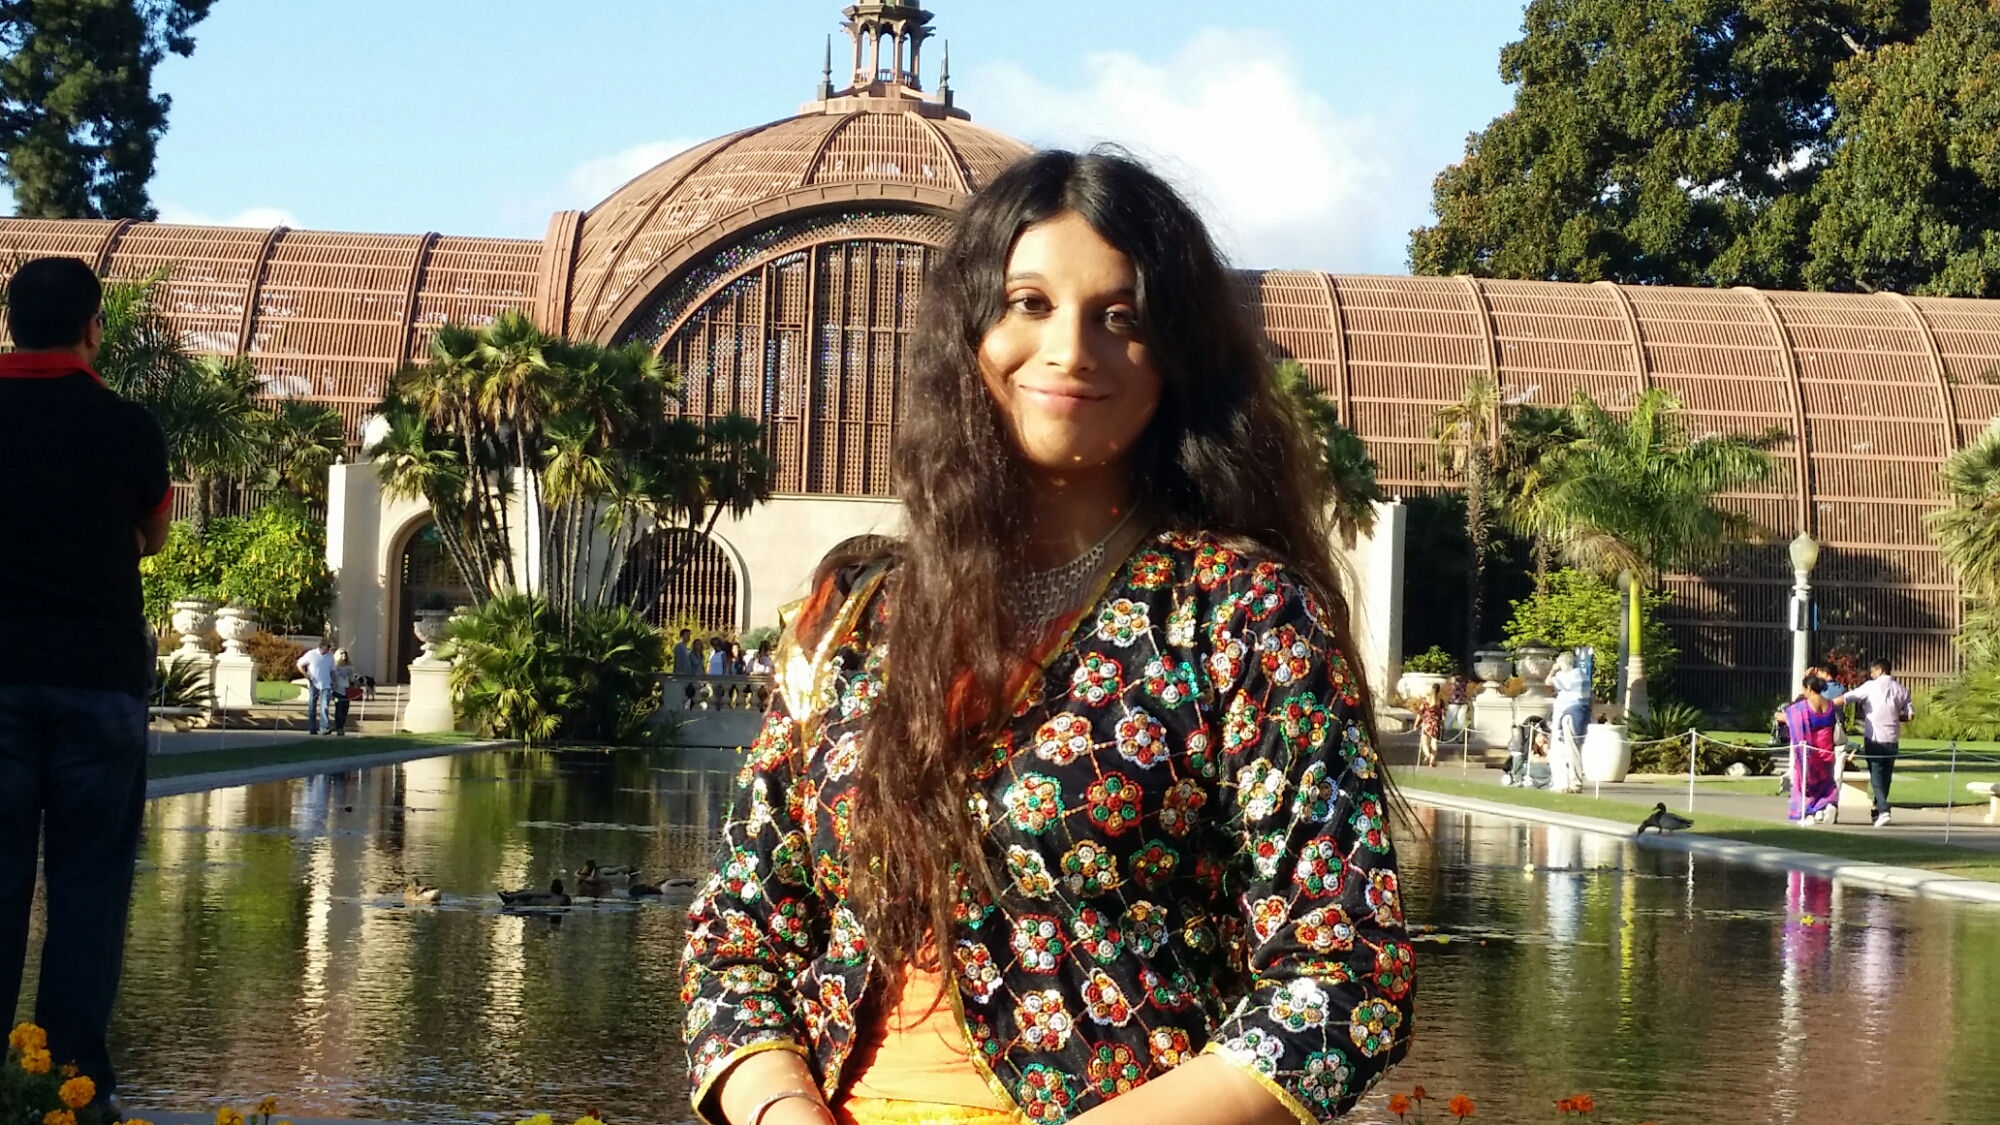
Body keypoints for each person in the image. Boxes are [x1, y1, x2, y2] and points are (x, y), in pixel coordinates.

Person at [682, 151, 1412, 1125]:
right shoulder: (860, 616)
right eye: (1028, 303)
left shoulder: (1239, 615)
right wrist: (780, 1111)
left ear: (1176, 357)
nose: (1070, 349)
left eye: (1122, 317)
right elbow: (738, 932)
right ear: (969, 332)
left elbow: (1345, 973)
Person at [0, 256, 171, 1114]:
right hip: (97, 680)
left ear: (10, 324)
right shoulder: (125, 425)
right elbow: (154, 534)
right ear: (93, 327)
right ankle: (71, 1083)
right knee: (88, 889)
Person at [1843, 658, 1913, 827]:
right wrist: (1895, 717)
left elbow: (1848, 697)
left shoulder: (1870, 686)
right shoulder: (1901, 689)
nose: (1871, 674)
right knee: (1886, 776)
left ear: (1880, 671)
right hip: (1892, 738)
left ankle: (1883, 809)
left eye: (1873, 671)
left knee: (1876, 774)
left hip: (1874, 737)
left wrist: (1828, 704)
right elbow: (1910, 715)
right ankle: (1877, 808)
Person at [1784, 673, 1842, 824]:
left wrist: (1782, 717)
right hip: (1827, 749)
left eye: (1804, 688)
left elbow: (1794, 721)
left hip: (1810, 749)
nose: (1803, 692)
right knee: (1826, 781)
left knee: (1806, 782)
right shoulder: (1830, 704)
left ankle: (1807, 811)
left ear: (1809, 688)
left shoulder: (1804, 706)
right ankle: (1828, 805)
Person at [1548, 651, 1590, 793]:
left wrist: (1553, 670)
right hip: (1581, 713)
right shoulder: (1583, 675)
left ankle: (1575, 783)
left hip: (1570, 714)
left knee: (1571, 750)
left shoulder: (1568, 676)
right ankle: (1574, 781)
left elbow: (1548, 682)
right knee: (1575, 748)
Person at [296, 639, 335, 734]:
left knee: (324, 706)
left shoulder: (330, 656)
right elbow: (299, 664)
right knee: (312, 706)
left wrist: (333, 682)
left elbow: (333, 670)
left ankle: (324, 727)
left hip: (326, 684)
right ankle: (312, 728)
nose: (329, 649)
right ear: (322, 646)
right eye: (327, 647)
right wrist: (306, 675)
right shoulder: (312, 654)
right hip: (314, 683)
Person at [1416, 683, 1444, 766]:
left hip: (1427, 724)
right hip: (1435, 724)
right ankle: (1432, 762)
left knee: (1425, 742)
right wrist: (1441, 721)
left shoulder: (1426, 701)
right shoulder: (1440, 702)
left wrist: (1416, 724)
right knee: (1434, 742)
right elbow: (1443, 714)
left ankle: (1427, 755)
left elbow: (1420, 713)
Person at [329, 648, 355, 735]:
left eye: (345, 654)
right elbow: (331, 678)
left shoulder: (349, 667)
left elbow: (352, 679)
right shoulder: (334, 667)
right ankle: (338, 727)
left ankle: (341, 726)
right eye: (341, 653)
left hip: (346, 691)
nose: (343, 655)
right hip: (337, 691)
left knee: (345, 710)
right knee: (339, 709)